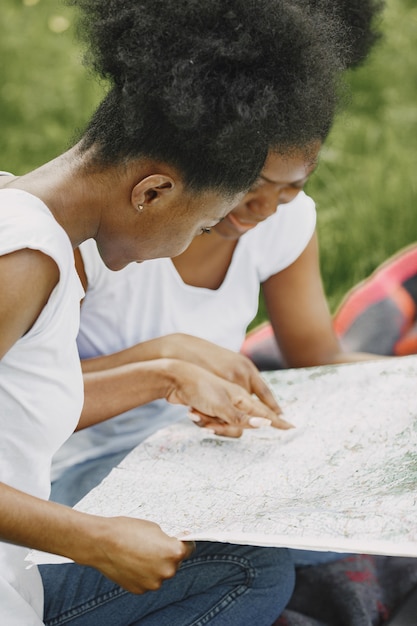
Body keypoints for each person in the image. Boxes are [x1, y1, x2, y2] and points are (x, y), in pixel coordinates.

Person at [0, 0, 355, 623]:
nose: (192, 243)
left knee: (261, 558)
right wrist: (96, 540)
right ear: (154, 192)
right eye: (201, 223)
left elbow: (21, 408)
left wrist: (164, 375)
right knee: (248, 569)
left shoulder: (29, 228)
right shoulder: (23, 260)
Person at [51, 0, 385, 505]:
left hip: (201, 450)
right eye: (251, 185)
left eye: (291, 190)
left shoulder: (283, 223)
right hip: (83, 467)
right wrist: (163, 359)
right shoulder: (86, 241)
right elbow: (26, 393)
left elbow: (320, 356)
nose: (264, 210)